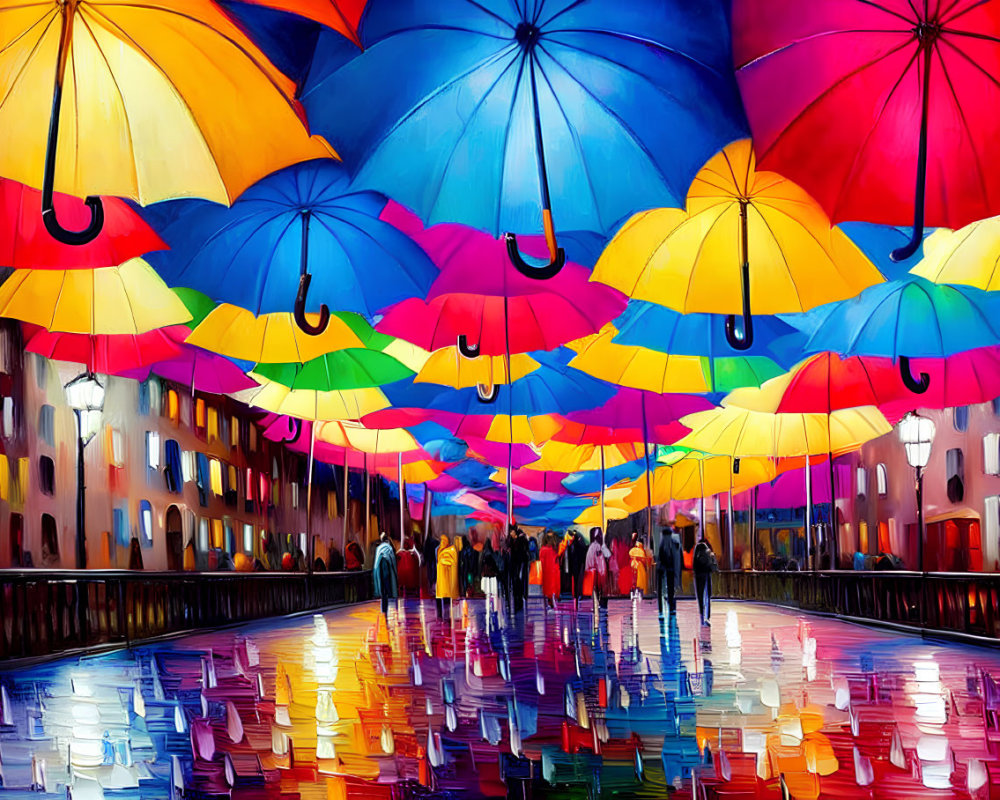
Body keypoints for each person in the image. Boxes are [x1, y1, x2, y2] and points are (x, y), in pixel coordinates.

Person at [585, 527, 611, 613]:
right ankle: (600, 606)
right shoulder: (597, 547)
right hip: (598, 573)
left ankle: (598, 605)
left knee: (596, 591)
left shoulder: (592, 547)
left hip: (595, 573)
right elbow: (605, 557)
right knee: (599, 591)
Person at [372, 532, 398, 618]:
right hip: (387, 570)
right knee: (387, 590)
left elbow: (376, 562)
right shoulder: (389, 548)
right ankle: (387, 598)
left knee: (382, 591)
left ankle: (383, 608)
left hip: (379, 569)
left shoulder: (378, 548)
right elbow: (393, 561)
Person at [657, 527, 682, 614]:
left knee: (666, 589)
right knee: (670, 588)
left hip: (666, 570)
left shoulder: (663, 544)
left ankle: (667, 606)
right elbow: (677, 559)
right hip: (669, 570)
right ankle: (670, 605)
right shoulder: (673, 544)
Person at [693, 537, 717, 626]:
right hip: (707, 576)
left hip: (698, 576)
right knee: (707, 596)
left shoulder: (697, 551)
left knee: (700, 596)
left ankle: (701, 614)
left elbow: (694, 566)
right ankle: (707, 617)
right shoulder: (709, 552)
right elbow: (714, 567)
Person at [435, 535, 459, 619]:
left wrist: (442, 561)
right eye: (441, 541)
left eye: (443, 541)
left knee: (446, 599)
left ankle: (446, 616)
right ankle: (440, 615)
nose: (442, 542)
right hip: (441, 578)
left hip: (447, 579)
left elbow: (452, 562)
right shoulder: (439, 550)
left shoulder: (451, 550)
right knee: (439, 597)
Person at [509, 525, 530, 614]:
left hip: (520, 565)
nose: (510, 534)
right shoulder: (515, 540)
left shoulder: (521, 540)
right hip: (516, 565)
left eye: (511, 532)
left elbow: (521, 554)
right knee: (517, 583)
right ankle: (518, 601)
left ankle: (519, 601)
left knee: (519, 582)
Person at [479, 539, 501, 618]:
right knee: (491, 583)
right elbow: (494, 562)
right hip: (491, 571)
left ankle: (487, 592)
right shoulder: (491, 553)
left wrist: (481, 571)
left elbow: (481, 562)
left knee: (487, 582)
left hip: (486, 571)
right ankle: (491, 593)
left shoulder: (484, 553)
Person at [567, 531, 589, 609]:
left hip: (576, 565)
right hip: (577, 565)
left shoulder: (574, 544)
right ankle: (577, 595)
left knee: (577, 581)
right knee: (577, 581)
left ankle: (577, 595)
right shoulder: (577, 543)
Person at [540, 532, 561, 609]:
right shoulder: (555, 549)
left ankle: (549, 601)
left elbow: (541, 561)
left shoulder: (543, 549)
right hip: (554, 570)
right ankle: (553, 600)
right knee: (554, 587)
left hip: (546, 571)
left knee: (547, 587)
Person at [629, 533, 652, 600]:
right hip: (639, 567)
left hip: (632, 566)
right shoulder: (641, 551)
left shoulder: (632, 550)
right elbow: (644, 560)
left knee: (633, 581)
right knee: (640, 581)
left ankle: (633, 593)